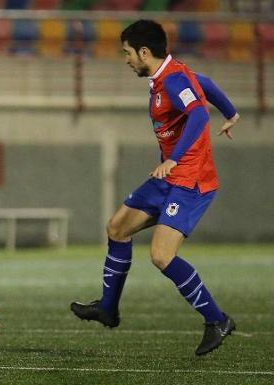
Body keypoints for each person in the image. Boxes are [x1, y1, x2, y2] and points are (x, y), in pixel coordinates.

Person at [70, 20, 241, 356]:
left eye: (128, 53)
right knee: (117, 228)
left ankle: (217, 320)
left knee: (161, 256)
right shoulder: (171, 75)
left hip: (190, 182)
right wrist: (232, 112)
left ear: (144, 52)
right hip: (169, 180)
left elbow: (199, 116)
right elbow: (203, 84)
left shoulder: (174, 79)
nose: (126, 59)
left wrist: (174, 159)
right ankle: (108, 309)